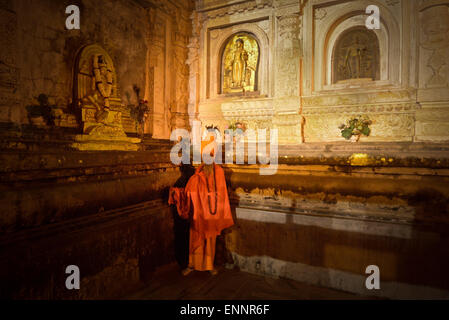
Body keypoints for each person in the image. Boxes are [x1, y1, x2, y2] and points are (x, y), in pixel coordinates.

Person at [169, 129, 234, 276]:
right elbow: (189, 192)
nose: (208, 159)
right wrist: (177, 194)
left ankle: (209, 265)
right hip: (198, 213)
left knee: (210, 240)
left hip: (211, 213)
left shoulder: (219, 172)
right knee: (195, 239)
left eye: (210, 155)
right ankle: (192, 265)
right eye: (206, 156)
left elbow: (221, 194)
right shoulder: (198, 173)